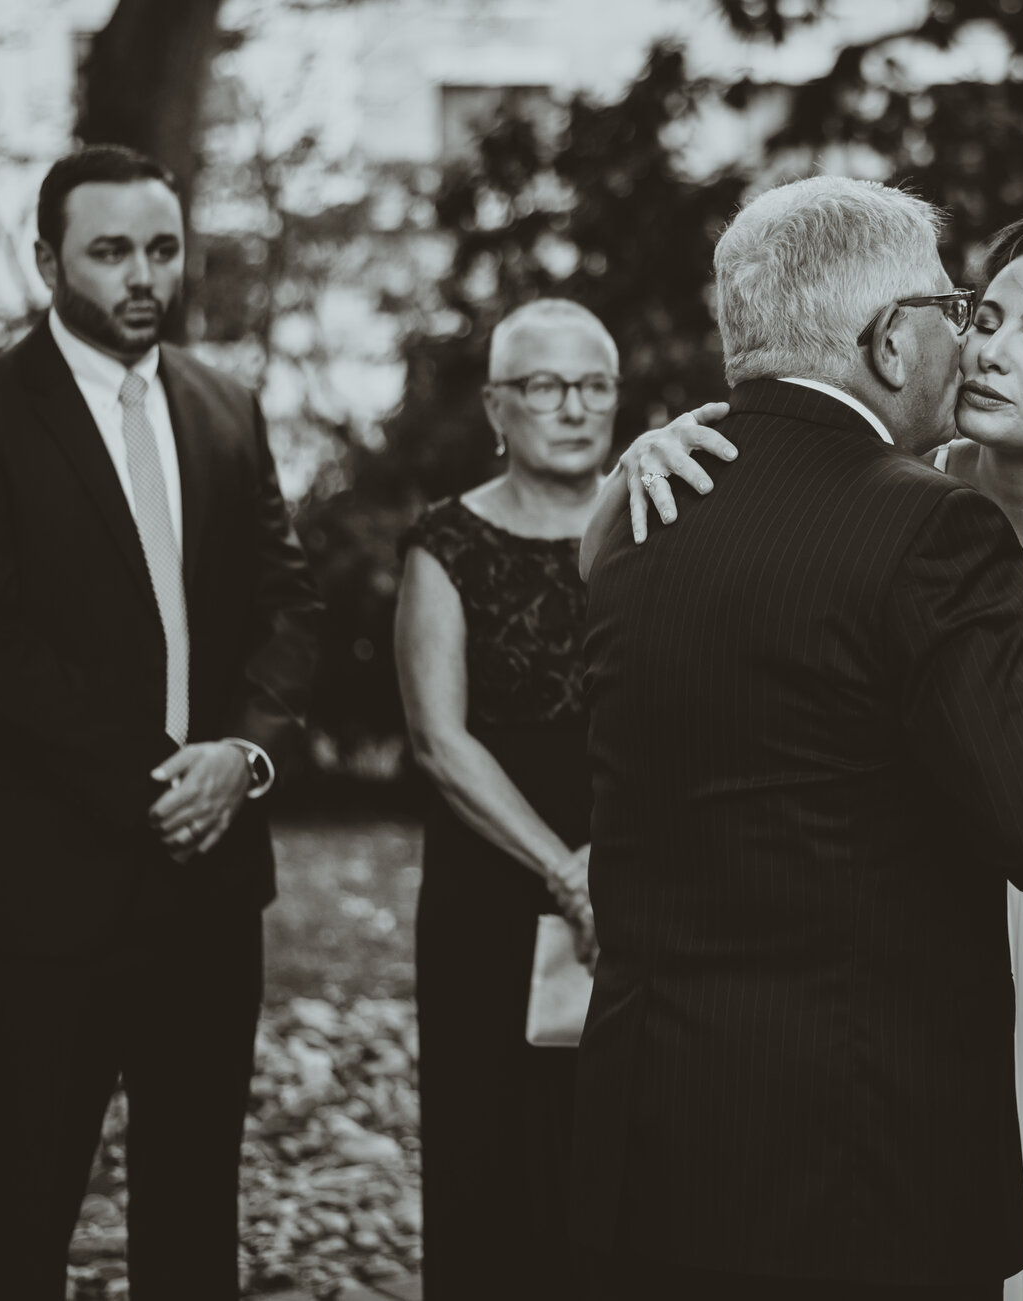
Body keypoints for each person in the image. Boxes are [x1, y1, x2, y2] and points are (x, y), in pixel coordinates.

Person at [604, 213, 1023, 1301]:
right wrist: (638, 466)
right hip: (928, 958)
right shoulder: (896, 502)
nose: (988, 349)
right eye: (983, 316)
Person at [0, 146, 320, 1301]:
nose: (144, 275)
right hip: (49, 890)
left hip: (213, 884)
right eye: (111, 250)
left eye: (163, 248)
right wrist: (164, 779)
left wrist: (240, 758)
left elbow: (288, 608)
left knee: (195, 1219)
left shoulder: (226, 405)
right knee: (24, 1221)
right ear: (46, 259)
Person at [395, 298, 621, 1297]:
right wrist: (565, 872)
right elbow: (440, 741)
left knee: (621, 1165)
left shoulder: (664, 526)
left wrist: (618, 870)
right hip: (492, 893)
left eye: (593, 384)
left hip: (643, 885)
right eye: (543, 385)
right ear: (497, 404)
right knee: (491, 1163)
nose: (572, 406)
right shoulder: (447, 543)